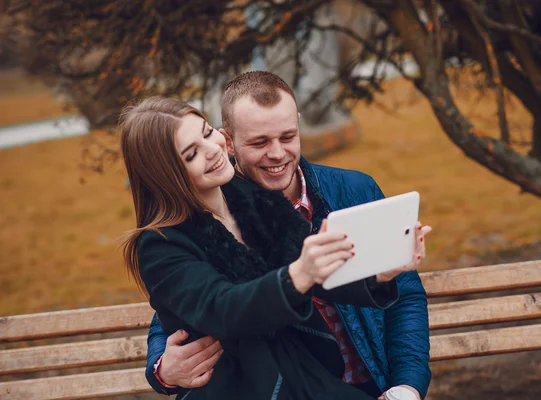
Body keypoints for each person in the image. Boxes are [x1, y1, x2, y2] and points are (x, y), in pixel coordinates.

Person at [145, 72, 433, 399]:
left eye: (287, 136)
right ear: (232, 140)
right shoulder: (194, 224)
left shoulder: (352, 191)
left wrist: (407, 385)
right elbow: (187, 305)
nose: (278, 154)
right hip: (284, 385)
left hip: (359, 382)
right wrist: (161, 368)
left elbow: (403, 296)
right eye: (258, 142)